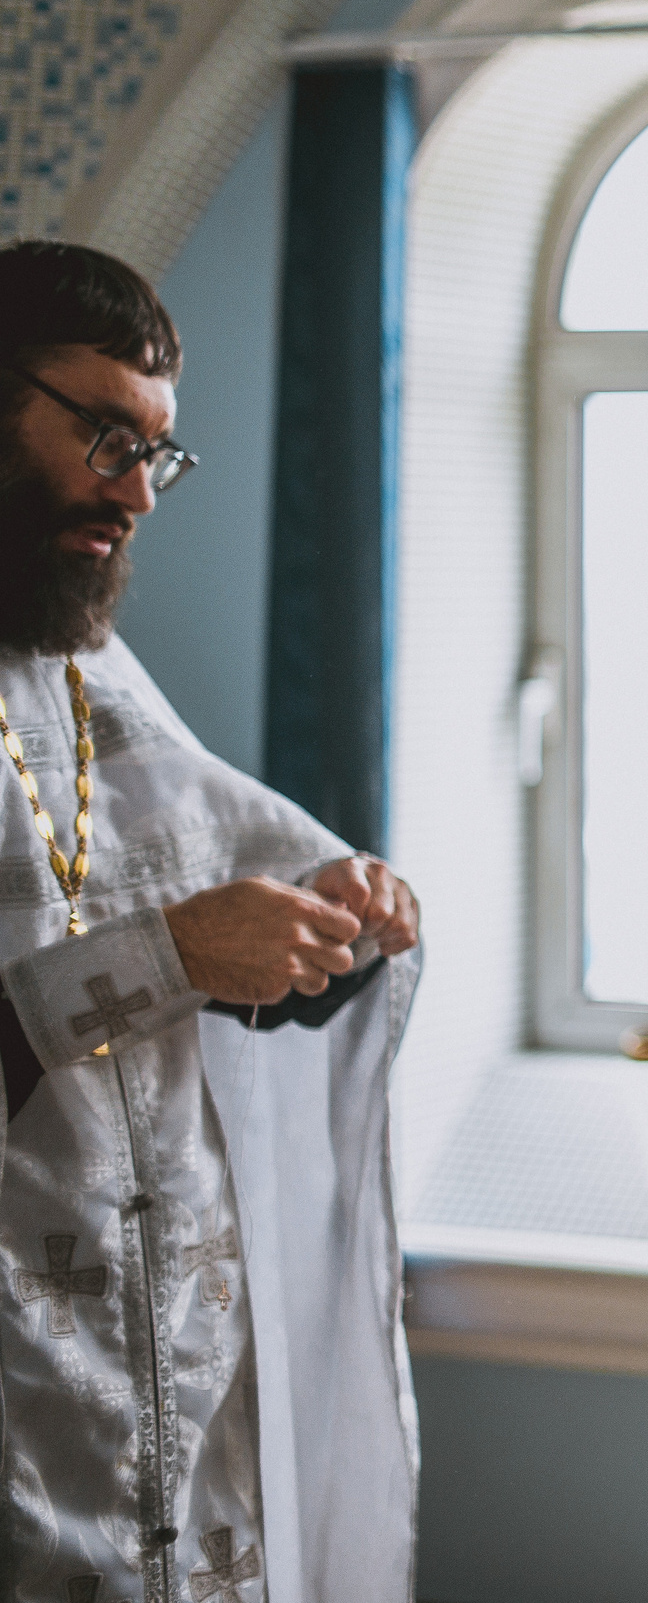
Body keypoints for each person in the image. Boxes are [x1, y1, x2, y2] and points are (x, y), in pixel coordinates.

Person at [0, 240, 424, 1601]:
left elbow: (239, 878)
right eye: (103, 436)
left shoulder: (92, 678)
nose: (135, 491)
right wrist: (174, 956)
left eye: (155, 454)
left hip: (165, 1414)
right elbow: (164, 948)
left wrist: (336, 917)